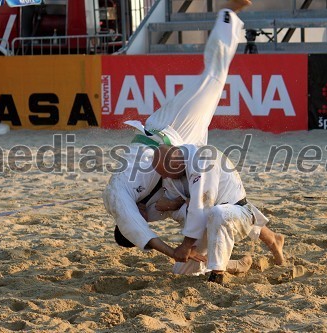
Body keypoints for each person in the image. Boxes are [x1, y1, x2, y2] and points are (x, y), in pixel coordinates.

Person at [103, 0, 251, 262]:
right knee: (212, 198)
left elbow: (136, 229)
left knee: (213, 78)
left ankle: (226, 15)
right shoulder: (146, 206)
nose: (148, 218)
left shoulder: (117, 198)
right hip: (183, 148)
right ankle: (266, 237)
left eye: (142, 219)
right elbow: (174, 210)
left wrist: (173, 252)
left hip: (168, 127)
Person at [152, 144, 285, 284]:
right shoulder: (170, 172)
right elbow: (178, 210)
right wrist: (177, 204)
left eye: (167, 173)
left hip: (237, 212)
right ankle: (237, 264)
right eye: (163, 174)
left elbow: (202, 205)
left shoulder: (203, 159)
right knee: (183, 271)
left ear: (179, 162)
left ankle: (217, 275)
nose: (165, 177)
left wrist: (186, 246)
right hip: (211, 217)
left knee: (218, 213)